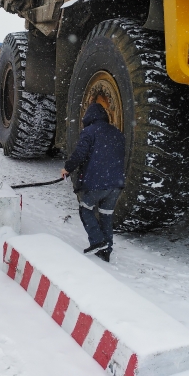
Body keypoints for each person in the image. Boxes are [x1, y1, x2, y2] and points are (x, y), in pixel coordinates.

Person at [60, 102, 125, 262]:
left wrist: (67, 168)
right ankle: (106, 251)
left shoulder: (89, 132)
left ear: (88, 117)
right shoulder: (117, 132)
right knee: (106, 216)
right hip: (116, 184)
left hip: (97, 183)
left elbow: (79, 154)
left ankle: (97, 241)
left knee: (85, 209)